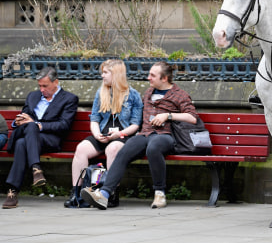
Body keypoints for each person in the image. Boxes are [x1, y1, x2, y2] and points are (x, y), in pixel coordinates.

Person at [81, 61, 199, 210]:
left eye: (152, 75)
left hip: (166, 136)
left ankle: (160, 193)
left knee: (153, 148)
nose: (148, 77)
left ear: (164, 79)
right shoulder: (149, 92)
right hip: (145, 134)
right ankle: (104, 194)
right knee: (124, 150)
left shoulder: (179, 94)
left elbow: (192, 117)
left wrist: (168, 116)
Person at [64, 59, 143, 208]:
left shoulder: (133, 95)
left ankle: (110, 193)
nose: (102, 75)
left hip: (124, 136)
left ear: (117, 74)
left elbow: (135, 125)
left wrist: (119, 134)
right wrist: (96, 134)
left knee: (112, 149)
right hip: (102, 135)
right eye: (103, 72)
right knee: (81, 148)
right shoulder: (101, 93)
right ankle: (76, 193)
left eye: (106, 72)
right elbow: (94, 118)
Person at [2, 67, 79, 209]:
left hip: (49, 140)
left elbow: (64, 125)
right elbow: (24, 116)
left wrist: (37, 125)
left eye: (45, 86)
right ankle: (36, 169)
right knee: (26, 134)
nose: (42, 89)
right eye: (40, 86)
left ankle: (12, 192)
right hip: (26, 134)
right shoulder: (33, 96)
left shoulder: (69, 99)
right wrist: (17, 121)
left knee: (23, 141)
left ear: (55, 82)